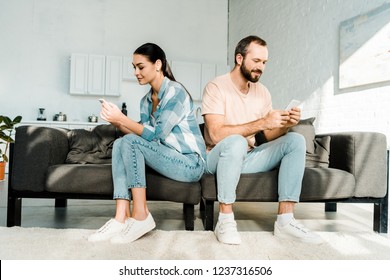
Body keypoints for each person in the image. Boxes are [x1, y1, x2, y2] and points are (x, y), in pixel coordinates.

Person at [201, 35, 322, 245]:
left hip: (248, 156)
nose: (261, 67)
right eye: (256, 61)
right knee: (237, 141)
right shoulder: (216, 87)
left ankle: (285, 221)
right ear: (239, 59)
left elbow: (267, 136)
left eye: (264, 62)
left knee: (295, 140)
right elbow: (215, 134)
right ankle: (226, 220)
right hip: (217, 157)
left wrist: (285, 124)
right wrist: (262, 122)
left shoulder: (262, 92)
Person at [88, 43, 206, 244]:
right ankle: (120, 217)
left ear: (158, 64)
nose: (136, 72)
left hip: (190, 163)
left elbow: (157, 135)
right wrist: (116, 120)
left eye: (140, 67)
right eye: (133, 67)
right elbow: (141, 135)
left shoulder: (176, 93)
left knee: (130, 141)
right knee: (120, 142)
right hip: (166, 156)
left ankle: (141, 215)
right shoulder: (145, 101)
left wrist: (122, 119)